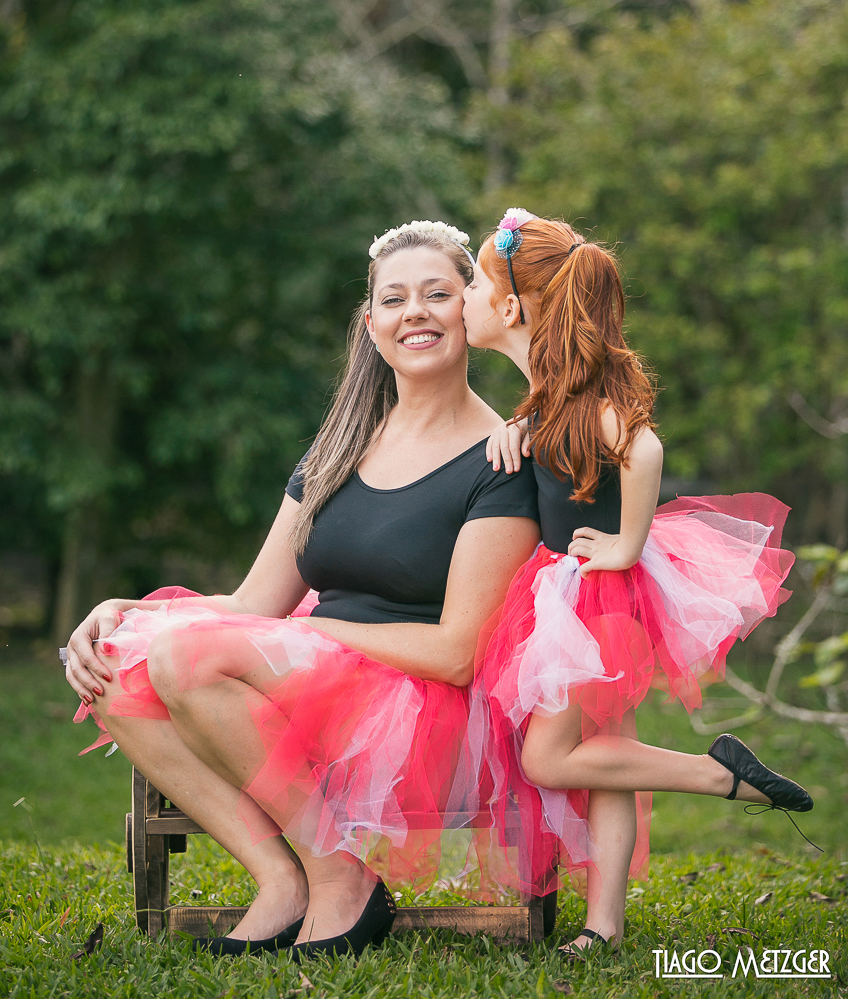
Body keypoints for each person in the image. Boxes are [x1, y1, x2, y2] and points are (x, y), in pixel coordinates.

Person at [64, 220, 540, 960]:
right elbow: (253, 605)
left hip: (423, 711)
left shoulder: (502, 459)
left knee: (190, 662)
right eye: (394, 299)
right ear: (372, 324)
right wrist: (121, 613)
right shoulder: (339, 447)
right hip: (311, 680)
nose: (415, 311)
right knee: (119, 666)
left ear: (470, 313)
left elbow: (456, 653)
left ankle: (340, 879)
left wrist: (312, 635)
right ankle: (283, 880)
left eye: (438, 294)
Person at [459, 208, 811, 956]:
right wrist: (517, 427)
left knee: (548, 758)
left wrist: (628, 544)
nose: (462, 298)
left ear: (512, 307)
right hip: (582, 594)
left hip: (590, 593)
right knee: (606, 752)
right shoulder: (555, 396)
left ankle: (719, 775)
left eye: (471, 284)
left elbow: (641, 445)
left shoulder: (583, 404)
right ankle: (604, 924)